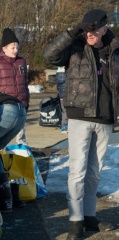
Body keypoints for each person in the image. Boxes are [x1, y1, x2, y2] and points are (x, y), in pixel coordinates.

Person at [43, 9, 119, 240]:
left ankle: (89, 216)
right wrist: (73, 31)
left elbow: (117, 85)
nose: (90, 32)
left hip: (105, 118)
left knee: (94, 173)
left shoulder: (116, 49)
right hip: (79, 116)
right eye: (87, 28)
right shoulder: (75, 46)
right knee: (77, 171)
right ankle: (75, 221)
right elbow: (49, 55)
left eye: (94, 28)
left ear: (105, 28)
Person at [0, 28, 30, 211]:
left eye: (17, 46)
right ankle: (7, 199)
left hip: (19, 109)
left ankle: (7, 199)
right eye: (12, 46)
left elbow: (25, 86)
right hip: (5, 108)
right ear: (4, 47)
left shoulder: (21, 62)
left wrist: (26, 104)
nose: (15, 49)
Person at [55, 66, 68, 133]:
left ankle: (63, 126)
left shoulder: (57, 73)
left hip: (61, 95)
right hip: (67, 95)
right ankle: (65, 126)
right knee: (66, 111)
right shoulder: (66, 73)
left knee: (64, 110)